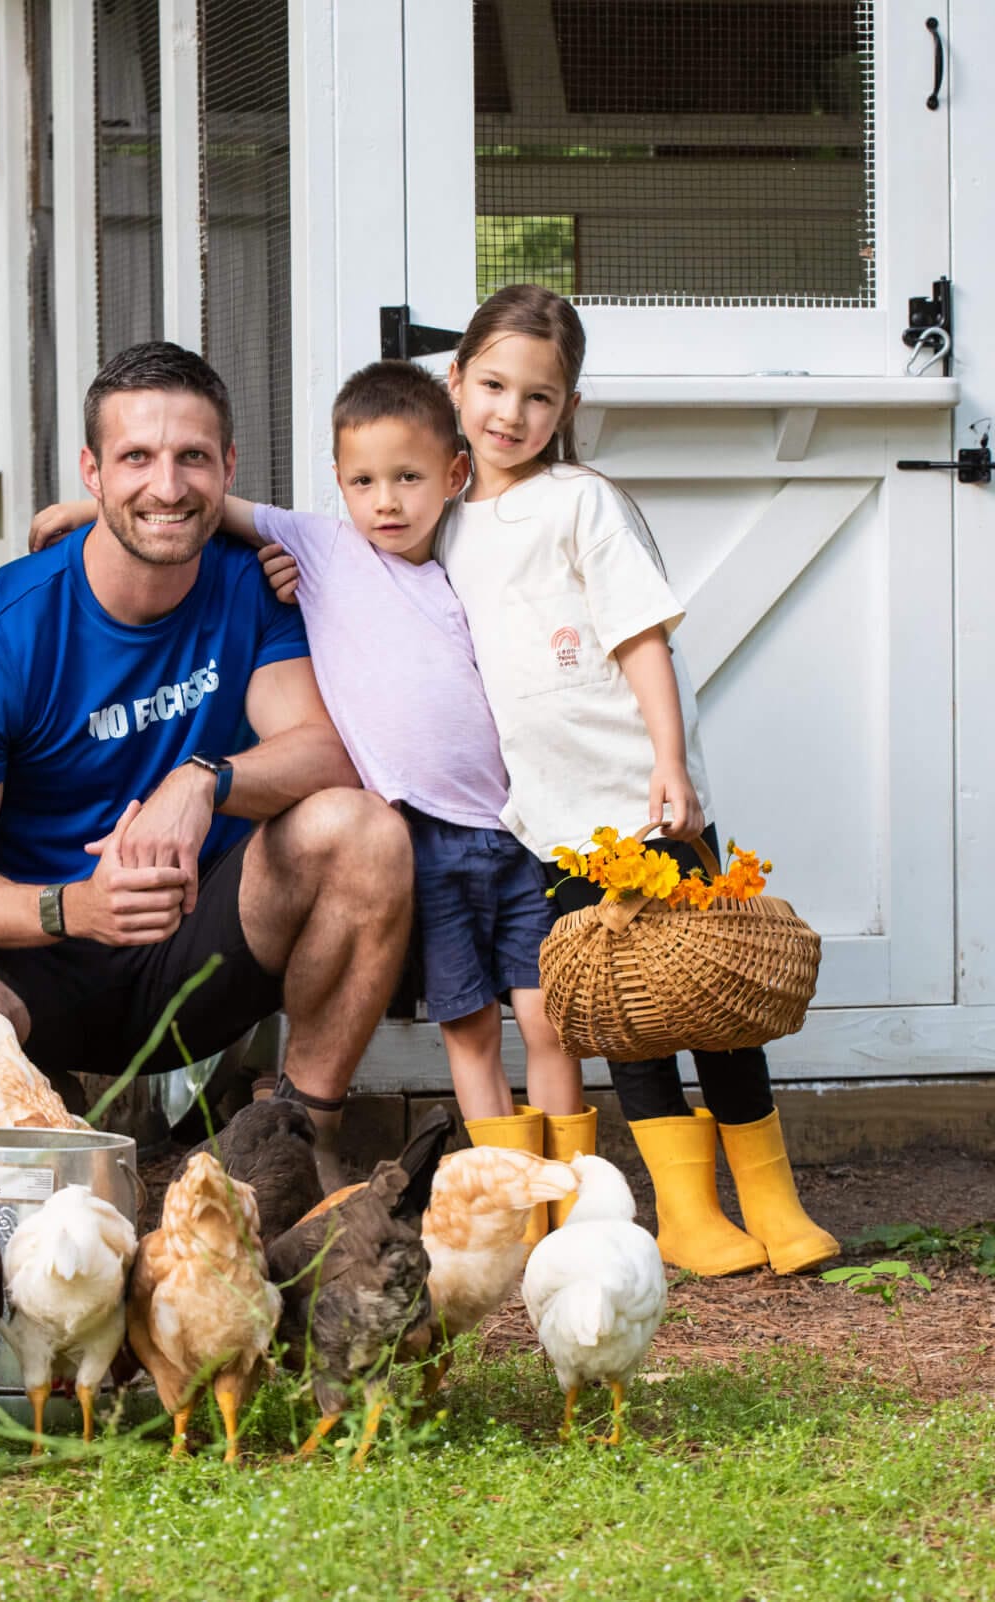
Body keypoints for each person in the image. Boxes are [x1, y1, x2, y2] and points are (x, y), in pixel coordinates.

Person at [30, 360, 588, 1237]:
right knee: (471, 1028)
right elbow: (216, 511)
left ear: (453, 476)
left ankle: (573, 1202)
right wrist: (85, 512)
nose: (386, 503)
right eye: (364, 482)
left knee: (547, 1022)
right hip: (425, 842)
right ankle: (511, 1209)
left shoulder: (470, 558)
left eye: (409, 479)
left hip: (514, 831)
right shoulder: (324, 550)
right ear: (338, 483)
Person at [0, 342, 414, 1185]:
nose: (168, 486)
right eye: (137, 457)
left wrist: (202, 780)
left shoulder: (254, 585)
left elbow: (326, 750)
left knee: (364, 832)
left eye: (192, 458)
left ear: (228, 468)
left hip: (205, 942)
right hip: (33, 963)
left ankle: (301, 1137)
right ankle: (32, 1113)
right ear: (93, 473)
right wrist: (72, 908)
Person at [433, 283, 840, 1275]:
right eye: (494, 385)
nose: (511, 413)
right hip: (557, 823)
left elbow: (640, 637)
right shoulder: (442, 523)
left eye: (539, 396)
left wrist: (670, 762)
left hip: (648, 804)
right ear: (456, 381)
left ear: (566, 408)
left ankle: (774, 1202)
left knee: (712, 997)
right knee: (629, 1011)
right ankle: (687, 1214)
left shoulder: (582, 502)